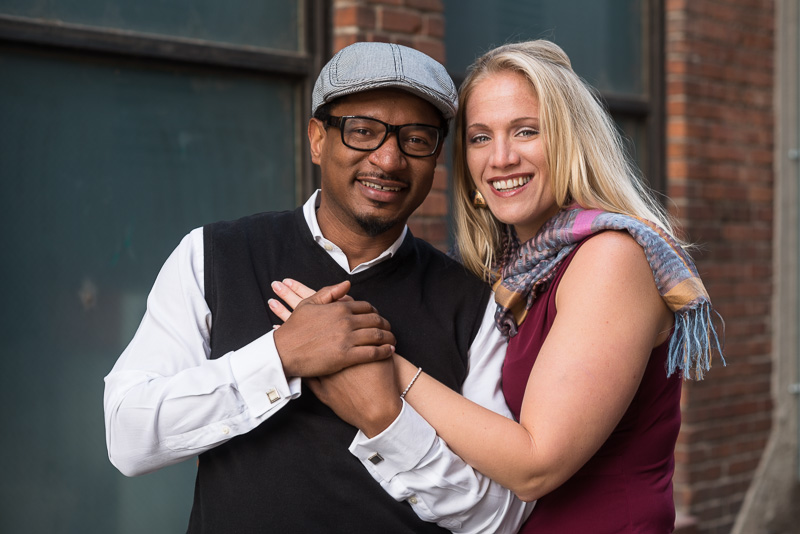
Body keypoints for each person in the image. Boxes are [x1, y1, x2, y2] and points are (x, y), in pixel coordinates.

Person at [272, 40, 724, 533]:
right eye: (480, 137)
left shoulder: (610, 257)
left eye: (526, 131)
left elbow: (536, 465)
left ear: (571, 140)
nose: (501, 158)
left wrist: (370, 353)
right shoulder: (517, 274)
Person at [103, 42, 533, 533]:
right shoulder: (215, 255)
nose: (389, 159)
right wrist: (281, 358)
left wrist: (386, 420)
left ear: (435, 156)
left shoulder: (474, 305)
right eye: (363, 131)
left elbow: (500, 518)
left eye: (416, 139)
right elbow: (128, 437)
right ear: (317, 139)